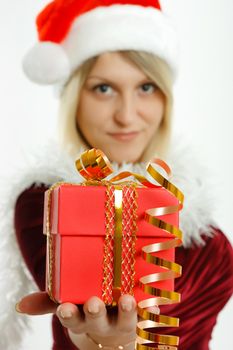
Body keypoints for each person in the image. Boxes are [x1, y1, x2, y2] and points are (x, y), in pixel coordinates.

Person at [0, 0, 233, 349]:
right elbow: (84, 317)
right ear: (73, 97)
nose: (127, 115)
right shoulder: (47, 202)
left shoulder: (197, 222)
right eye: (103, 88)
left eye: (146, 87)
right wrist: (95, 341)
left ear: (165, 97)